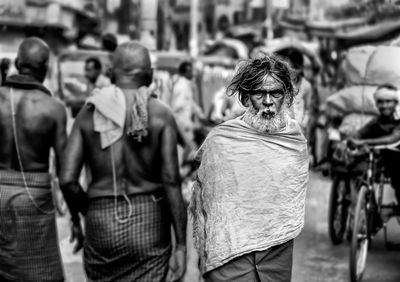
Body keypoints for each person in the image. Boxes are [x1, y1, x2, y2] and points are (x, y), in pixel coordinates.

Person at [60, 41, 187, 282]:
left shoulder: (89, 113)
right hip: (150, 220)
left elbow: (67, 179)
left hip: (101, 221)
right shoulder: (160, 113)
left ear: (110, 73)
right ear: (149, 74)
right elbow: (171, 181)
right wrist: (181, 245)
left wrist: (88, 211)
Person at [190, 55, 309, 282]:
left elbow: (291, 196)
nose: (267, 101)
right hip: (230, 254)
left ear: (287, 97)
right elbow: (208, 203)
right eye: (258, 93)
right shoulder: (221, 140)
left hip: (277, 253)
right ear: (245, 98)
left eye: (276, 93)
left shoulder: (294, 140)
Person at [0, 37, 66, 282]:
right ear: (46, 69)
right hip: (34, 196)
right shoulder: (53, 108)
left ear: (17, 63)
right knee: (43, 273)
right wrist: (78, 222)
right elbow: (67, 174)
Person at [349, 84, 400, 206]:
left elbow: (393, 138)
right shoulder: (376, 122)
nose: (384, 106)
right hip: (385, 163)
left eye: (388, 102)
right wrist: (351, 139)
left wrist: (363, 142)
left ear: (395, 103)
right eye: (381, 102)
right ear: (376, 104)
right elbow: (360, 133)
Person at [170, 61, 205, 161]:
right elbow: (177, 106)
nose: (192, 73)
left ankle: (183, 168)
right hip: (183, 122)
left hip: (184, 121)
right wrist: (185, 123)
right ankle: (183, 169)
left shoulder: (185, 84)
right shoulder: (182, 86)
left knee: (189, 147)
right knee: (192, 147)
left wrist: (200, 115)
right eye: (190, 71)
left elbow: (190, 102)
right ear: (185, 72)